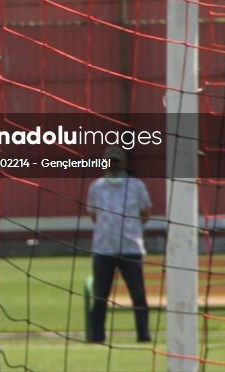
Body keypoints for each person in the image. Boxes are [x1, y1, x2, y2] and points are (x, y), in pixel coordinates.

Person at [86, 146, 153, 344]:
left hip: (131, 248)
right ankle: (97, 336)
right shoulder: (96, 187)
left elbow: (146, 212)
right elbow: (93, 215)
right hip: (103, 248)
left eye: (116, 160)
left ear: (122, 162)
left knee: (138, 295)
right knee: (100, 296)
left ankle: (143, 334)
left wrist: (130, 228)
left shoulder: (137, 186)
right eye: (110, 161)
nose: (113, 165)